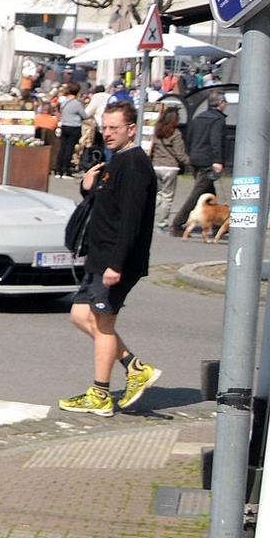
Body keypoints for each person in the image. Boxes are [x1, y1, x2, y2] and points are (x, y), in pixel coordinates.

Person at [59, 101, 161, 415]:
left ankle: (100, 393)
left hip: (114, 261)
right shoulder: (116, 161)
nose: (108, 134)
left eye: (115, 128)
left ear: (132, 129)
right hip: (98, 256)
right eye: (105, 127)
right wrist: (88, 187)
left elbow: (130, 219)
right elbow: (107, 207)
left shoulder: (133, 164)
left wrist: (116, 264)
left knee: (104, 325)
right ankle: (134, 365)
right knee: (80, 314)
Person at [169, 94, 227, 236]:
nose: (226, 104)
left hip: (195, 159)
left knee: (209, 193)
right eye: (225, 102)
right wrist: (218, 160)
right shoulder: (217, 120)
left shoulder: (198, 117)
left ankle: (215, 224)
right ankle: (177, 224)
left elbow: (189, 138)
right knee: (196, 194)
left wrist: (191, 155)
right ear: (220, 103)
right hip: (208, 161)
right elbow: (215, 141)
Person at [54, 86, 86, 176]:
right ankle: (65, 170)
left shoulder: (64, 101)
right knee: (69, 148)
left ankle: (58, 169)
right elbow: (84, 115)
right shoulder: (77, 103)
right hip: (74, 126)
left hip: (64, 125)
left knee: (62, 148)